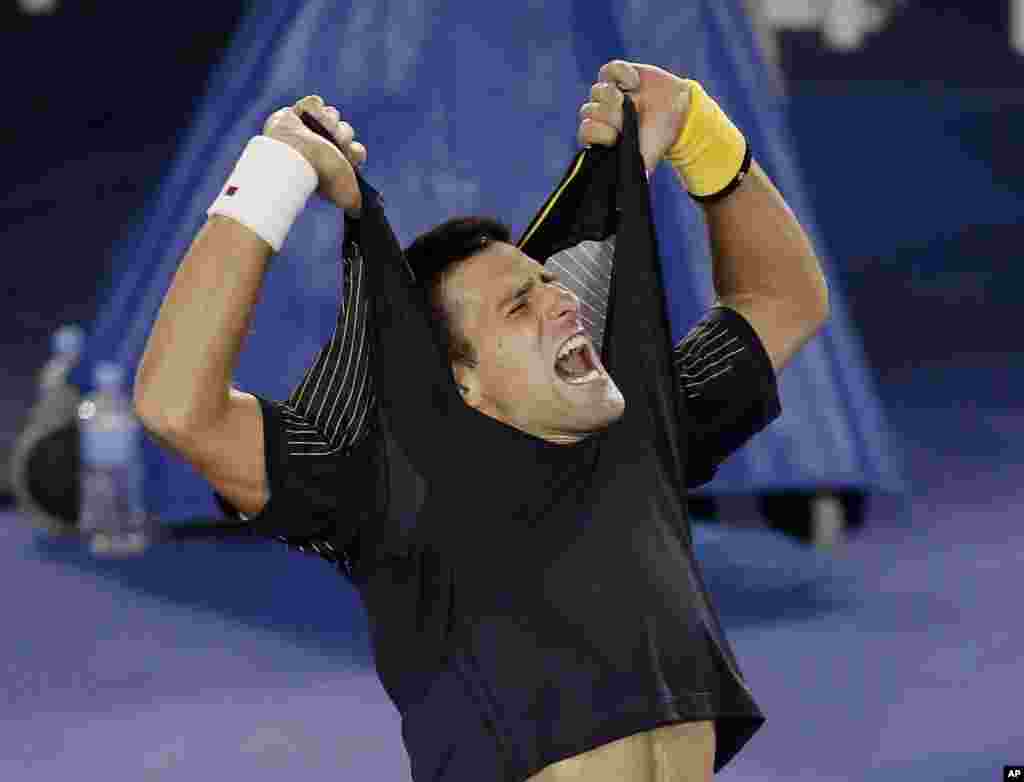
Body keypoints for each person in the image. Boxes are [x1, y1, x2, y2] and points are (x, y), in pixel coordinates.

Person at [134, 60, 828, 781]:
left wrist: (700, 133)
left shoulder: (639, 422)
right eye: (517, 306)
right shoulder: (391, 486)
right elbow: (174, 404)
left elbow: (783, 300)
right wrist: (277, 170)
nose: (562, 302)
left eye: (549, 284)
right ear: (461, 381)